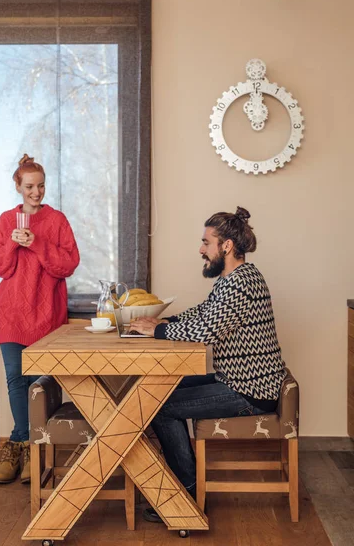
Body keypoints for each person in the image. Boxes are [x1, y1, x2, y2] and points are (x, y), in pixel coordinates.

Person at [130, 206, 286, 522]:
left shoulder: (239, 283)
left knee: (158, 404)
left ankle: (186, 496)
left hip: (248, 391)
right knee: (156, 389)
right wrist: (164, 320)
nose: (201, 249)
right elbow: (205, 312)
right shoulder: (236, 279)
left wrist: (157, 330)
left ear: (226, 246)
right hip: (237, 380)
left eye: (206, 242)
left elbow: (206, 331)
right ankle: (175, 482)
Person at [0, 154, 80, 484]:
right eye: (29, 186)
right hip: (10, 313)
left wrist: (37, 243)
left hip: (46, 314)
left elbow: (67, 265)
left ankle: (27, 449)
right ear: (17, 186)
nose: (36, 192)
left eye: (40, 185)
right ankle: (25, 446)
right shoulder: (5, 220)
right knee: (15, 380)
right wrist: (13, 245)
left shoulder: (56, 221)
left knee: (39, 385)